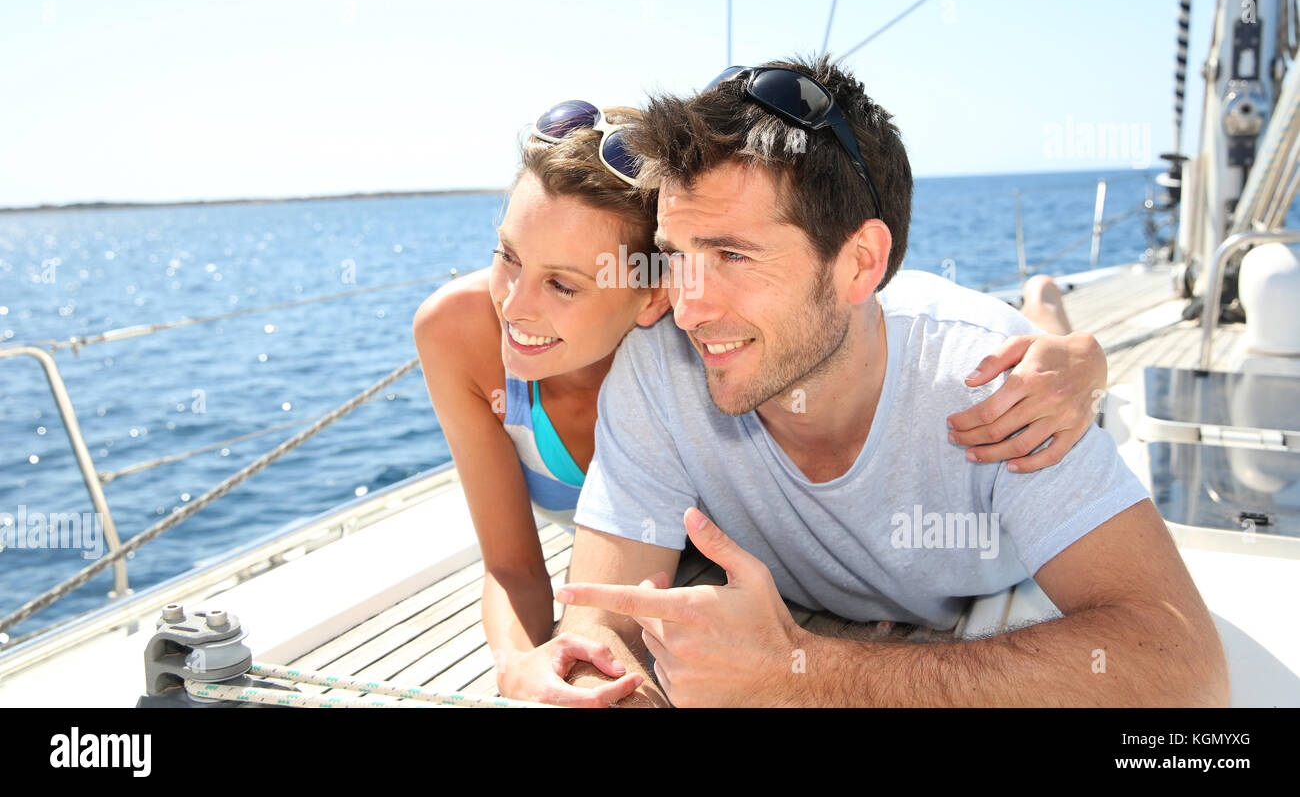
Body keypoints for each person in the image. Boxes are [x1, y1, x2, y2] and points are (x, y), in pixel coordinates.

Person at [552, 56, 1230, 707]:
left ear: (859, 263)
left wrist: (807, 676)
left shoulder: (1001, 388)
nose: (688, 305)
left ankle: (1045, 307)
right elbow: (598, 629)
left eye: (732, 254)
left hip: (988, 346)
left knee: (1048, 333)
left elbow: (1182, 667)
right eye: (676, 257)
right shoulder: (657, 363)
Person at [412, 98, 1113, 707]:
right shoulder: (481, 335)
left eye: (563, 285)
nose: (514, 305)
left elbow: (847, 321)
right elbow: (533, 577)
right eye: (507, 256)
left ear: (650, 292)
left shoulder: (703, 341)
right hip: (682, 550)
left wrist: (1085, 361)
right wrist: (526, 667)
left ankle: (1047, 312)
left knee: (1034, 353)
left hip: (749, 522)